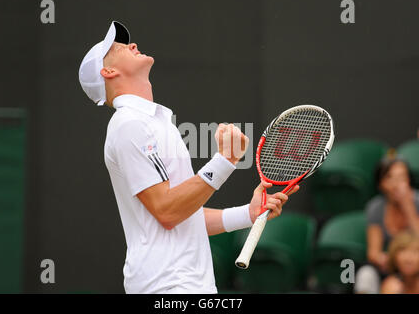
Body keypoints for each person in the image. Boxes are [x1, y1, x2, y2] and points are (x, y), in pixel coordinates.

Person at [78, 21, 299, 294]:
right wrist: (225, 161)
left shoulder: (156, 122)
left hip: (190, 286)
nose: (133, 45)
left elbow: (183, 215)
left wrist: (248, 214)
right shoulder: (128, 124)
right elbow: (168, 211)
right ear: (108, 71)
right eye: (120, 47)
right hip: (167, 286)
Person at [354, 153, 419, 294]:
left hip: (416, 267)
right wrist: (394, 261)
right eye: (390, 177)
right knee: (366, 275)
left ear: (409, 180)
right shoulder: (375, 208)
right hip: (390, 268)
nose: (397, 184)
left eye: (402, 177)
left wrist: (408, 207)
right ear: (381, 183)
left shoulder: (417, 202)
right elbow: (373, 253)